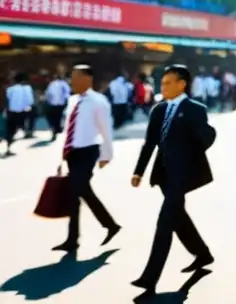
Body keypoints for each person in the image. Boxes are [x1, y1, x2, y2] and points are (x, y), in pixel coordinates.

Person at [130, 65, 216, 295]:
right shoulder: (159, 110)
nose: (163, 87)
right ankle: (202, 253)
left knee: (165, 222)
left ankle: (150, 277)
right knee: (178, 217)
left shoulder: (195, 109)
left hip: (183, 175)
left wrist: (199, 143)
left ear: (182, 84)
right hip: (164, 174)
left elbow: (206, 137)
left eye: (168, 83)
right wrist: (139, 171)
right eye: (162, 83)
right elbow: (149, 143)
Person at [55, 65, 120, 253]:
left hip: (88, 151)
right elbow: (68, 129)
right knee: (80, 192)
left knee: (77, 190)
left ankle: (73, 238)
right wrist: (62, 155)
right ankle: (108, 225)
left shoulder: (99, 101)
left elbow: (106, 129)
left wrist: (107, 155)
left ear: (87, 79)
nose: (71, 81)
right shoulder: (73, 101)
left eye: (75, 77)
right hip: (73, 152)